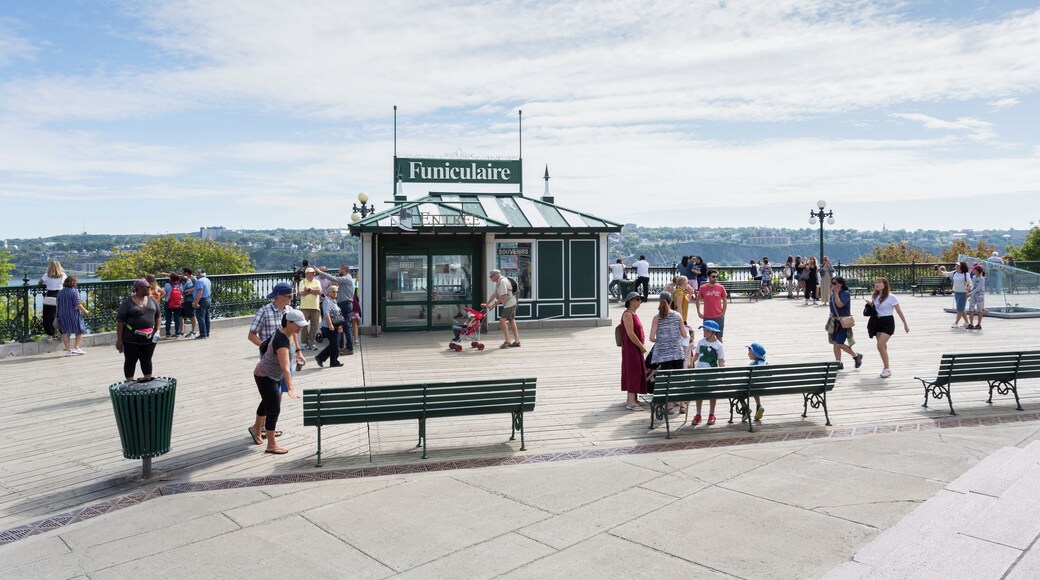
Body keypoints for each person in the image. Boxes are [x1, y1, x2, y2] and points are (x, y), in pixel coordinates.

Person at [248, 282, 305, 438]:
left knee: (277, 395)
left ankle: (265, 426)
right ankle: (261, 427)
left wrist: (299, 351)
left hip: (286, 357)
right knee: (271, 396)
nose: (292, 298)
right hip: (270, 362)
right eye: (289, 296)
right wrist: (265, 346)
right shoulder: (264, 312)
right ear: (279, 296)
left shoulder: (290, 311)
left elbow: (294, 333)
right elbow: (251, 335)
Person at [649, 291, 689, 412]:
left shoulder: (657, 318)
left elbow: (651, 337)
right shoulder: (677, 316)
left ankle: (670, 406)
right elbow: (684, 334)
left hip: (663, 355)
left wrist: (661, 340)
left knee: (667, 380)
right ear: (671, 302)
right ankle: (682, 405)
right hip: (677, 353)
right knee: (680, 379)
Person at [115, 279, 161, 381]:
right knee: (131, 360)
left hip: (150, 337)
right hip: (131, 338)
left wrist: (157, 331)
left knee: (147, 359)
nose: (150, 289)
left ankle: (148, 379)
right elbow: (120, 322)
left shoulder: (152, 300)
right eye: (148, 287)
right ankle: (130, 382)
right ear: (140, 289)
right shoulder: (127, 303)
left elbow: (158, 317)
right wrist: (119, 340)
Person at [867, 277, 909, 379]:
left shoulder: (891, 297)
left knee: (880, 345)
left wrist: (905, 324)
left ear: (885, 285)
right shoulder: (875, 296)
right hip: (877, 322)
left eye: (879, 283)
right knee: (883, 346)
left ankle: (887, 368)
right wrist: (870, 305)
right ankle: (886, 366)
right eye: (876, 283)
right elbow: (876, 309)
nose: (877, 284)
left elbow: (899, 311)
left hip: (888, 322)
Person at [690, 320, 725, 425]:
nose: (704, 332)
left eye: (707, 331)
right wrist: (691, 362)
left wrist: (723, 369)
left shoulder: (719, 345)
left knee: (712, 393)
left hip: (712, 374)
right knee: (698, 393)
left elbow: (721, 361)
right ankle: (698, 414)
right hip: (699, 372)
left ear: (714, 333)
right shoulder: (701, 342)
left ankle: (711, 413)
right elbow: (696, 355)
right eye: (704, 330)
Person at [317, 264, 356, 355]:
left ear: (343, 270)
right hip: (345, 304)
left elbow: (334, 279)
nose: (339, 271)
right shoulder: (347, 278)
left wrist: (320, 272)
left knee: (346, 326)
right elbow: (335, 278)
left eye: (339, 270)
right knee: (342, 325)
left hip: (345, 304)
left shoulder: (347, 278)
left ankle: (349, 348)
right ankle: (342, 346)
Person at [619, 292, 648, 410]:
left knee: (638, 370)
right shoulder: (627, 314)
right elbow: (631, 334)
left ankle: (634, 398)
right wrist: (641, 346)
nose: (639, 301)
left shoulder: (634, 314)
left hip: (636, 347)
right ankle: (630, 401)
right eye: (636, 299)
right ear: (630, 301)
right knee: (633, 371)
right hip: (631, 348)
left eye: (640, 299)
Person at [827, 276, 863, 370]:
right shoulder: (833, 294)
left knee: (839, 342)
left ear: (841, 284)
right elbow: (832, 309)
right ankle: (838, 361)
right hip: (834, 321)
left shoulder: (845, 293)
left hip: (843, 322)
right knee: (834, 342)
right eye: (832, 284)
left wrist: (835, 293)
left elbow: (839, 305)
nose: (833, 285)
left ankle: (855, 355)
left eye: (835, 283)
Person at [483, 269, 521, 348]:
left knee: (502, 320)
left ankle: (507, 341)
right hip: (511, 302)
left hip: (510, 303)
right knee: (511, 320)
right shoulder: (499, 282)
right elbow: (494, 294)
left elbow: (503, 296)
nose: (490, 278)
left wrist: (493, 305)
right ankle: (517, 341)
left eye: (491, 276)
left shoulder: (502, 282)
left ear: (496, 276)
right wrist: (487, 304)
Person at [56, 275, 88, 356]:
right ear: (74, 283)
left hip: (62, 313)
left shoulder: (60, 292)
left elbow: (58, 303)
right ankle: (76, 348)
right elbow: (78, 304)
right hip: (73, 313)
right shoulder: (74, 292)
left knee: (65, 331)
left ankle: (68, 350)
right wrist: (85, 311)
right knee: (80, 329)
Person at [315, 285, 345, 368]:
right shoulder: (327, 302)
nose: (335, 293)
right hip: (328, 327)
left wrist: (339, 326)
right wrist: (330, 325)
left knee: (335, 344)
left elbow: (337, 314)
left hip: (336, 325)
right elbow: (326, 314)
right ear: (328, 293)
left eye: (336, 292)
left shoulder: (333, 301)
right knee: (334, 345)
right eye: (333, 291)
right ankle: (320, 357)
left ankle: (334, 361)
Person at [695, 269, 728, 341]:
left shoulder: (720, 287)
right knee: (707, 337)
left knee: (719, 337)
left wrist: (723, 313)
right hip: (707, 316)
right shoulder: (703, 288)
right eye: (713, 276)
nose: (715, 278)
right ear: (708, 277)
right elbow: (697, 300)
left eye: (716, 276)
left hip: (718, 316)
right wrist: (698, 312)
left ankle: (720, 351)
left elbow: (725, 301)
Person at [39, 259, 66, 340]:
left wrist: (46, 283)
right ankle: (62, 334)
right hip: (60, 295)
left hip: (50, 295)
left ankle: (50, 335)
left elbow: (40, 282)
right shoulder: (63, 275)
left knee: (48, 316)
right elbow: (66, 284)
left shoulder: (46, 275)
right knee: (61, 315)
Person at [297, 267, 322, 350]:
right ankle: (304, 342)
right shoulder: (302, 282)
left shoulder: (317, 281)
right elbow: (302, 293)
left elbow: (319, 291)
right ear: (306, 274)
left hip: (315, 307)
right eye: (310, 273)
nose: (312, 274)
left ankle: (312, 343)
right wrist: (312, 291)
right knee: (303, 326)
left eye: (313, 273)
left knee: (314, 326)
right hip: (304, 307)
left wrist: (308, 290)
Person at [942, 262, 972, 328]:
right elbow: (945, 273)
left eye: (958, 265)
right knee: (961, 308)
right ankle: (967, 322)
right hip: (956, 292)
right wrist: (939, 270)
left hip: (963, 293)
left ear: (962, 267)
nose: (956, 266)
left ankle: (956, 322)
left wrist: (969, 287)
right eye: (956, 265)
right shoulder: (955, 272)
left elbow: (970, 283)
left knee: (959, 309)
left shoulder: (966, 274)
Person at [745, 343, 768, 422]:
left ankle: (745, 409)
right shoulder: (766, 364)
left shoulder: (752, 365)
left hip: (752, 388)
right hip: (765, 388)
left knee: (747, 387)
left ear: (755, 354)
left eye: (750, 352)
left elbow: (747, 378)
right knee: (755, 385)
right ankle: (758, 406)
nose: (748, 353)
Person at [191, 268, 212, 339]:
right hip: (207, 299)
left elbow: (200, 293)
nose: (196, 274)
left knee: (200, 317)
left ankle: (203, 334)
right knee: (206, 317)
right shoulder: (207, 280)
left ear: (199, 273)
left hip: (202, 300)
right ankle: (207, 332)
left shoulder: (199, 281)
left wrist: (195, 302)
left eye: (196, 273)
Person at [162, 273, 183, 338]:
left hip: (169, 303)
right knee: (177, 319)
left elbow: (165, 292)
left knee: (168, 319)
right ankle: (177, 333)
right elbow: (181, 292)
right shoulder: (180, 285)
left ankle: (168, 334)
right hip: (178, 303)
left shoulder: (167, 285)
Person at [966, 264, 986, 330]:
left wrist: (970, 293)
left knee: (979, 309)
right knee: (971, 308)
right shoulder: (974, 277)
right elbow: (974, 286)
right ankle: (971, 324)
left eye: (974, 269)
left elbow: (978, 288)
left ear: (977, 271)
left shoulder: (982, 278)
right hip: (973, 295)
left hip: (980, 295)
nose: (973, 270)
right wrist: (970, 291)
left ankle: (979, 324)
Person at [180, 268, 198, 338]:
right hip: (183, 300)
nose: (182, 273)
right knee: (181, 315)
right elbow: (174, 276)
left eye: (183, 272)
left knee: (191, 316)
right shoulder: (184, 278)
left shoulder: (193, 279)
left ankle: (193, 331)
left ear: (186, 272)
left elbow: (197, 288)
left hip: (189, 299)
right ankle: (181, 331)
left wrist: (187, 290)